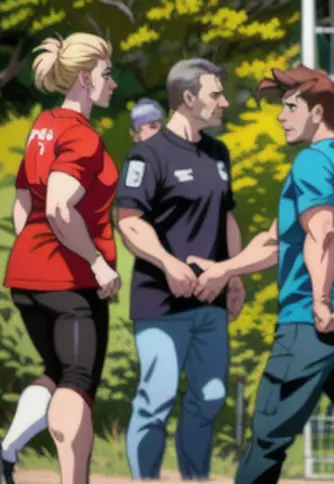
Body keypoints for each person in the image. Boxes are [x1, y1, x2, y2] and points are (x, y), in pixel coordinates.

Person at [187, 67, 334, 484]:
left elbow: (322, 232)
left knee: (268, 441)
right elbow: (278, 242)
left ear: (316, 111)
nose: (280, 116)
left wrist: (321, 303)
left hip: (310, 323)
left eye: (290, 106)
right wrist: (222, 269)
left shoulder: (312, 161)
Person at [1, 35, 122, 484]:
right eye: (108, 75)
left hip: (27, 277)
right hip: (69, 282)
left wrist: (32, 248)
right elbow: (57, 206)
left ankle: (6, 452)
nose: (113, 84)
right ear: (86, 78)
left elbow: (22, 199)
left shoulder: (43, 125)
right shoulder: (83, 136)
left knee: (53, 373)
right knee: (76, 382)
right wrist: (96, 263)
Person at [116, 58, 244, 481]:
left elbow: (227, 218)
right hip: (159, 303)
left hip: (209, 300)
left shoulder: (218, 152)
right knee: (157, 398)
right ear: (188, 99)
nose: (224, 101)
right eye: (215, 94)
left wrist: (233, 273)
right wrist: (168, 263)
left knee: (209, 397)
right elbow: (129, 221)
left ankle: (195, 479)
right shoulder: (147, 154)